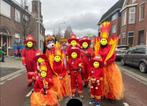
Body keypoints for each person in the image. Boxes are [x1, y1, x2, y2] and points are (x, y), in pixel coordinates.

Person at [95, 21, 124, 100]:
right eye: (102, 40)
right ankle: (102, 93)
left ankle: (110, 94)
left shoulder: (110, 48)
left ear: (106, 40)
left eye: (104, 40)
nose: (103, 41)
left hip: (110, 67)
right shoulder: (98, 48)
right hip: (100, 67)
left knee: (110, 82)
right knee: (101, 81)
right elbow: (96, 57)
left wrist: (107, 62)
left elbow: (113, 57)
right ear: (100, 40)